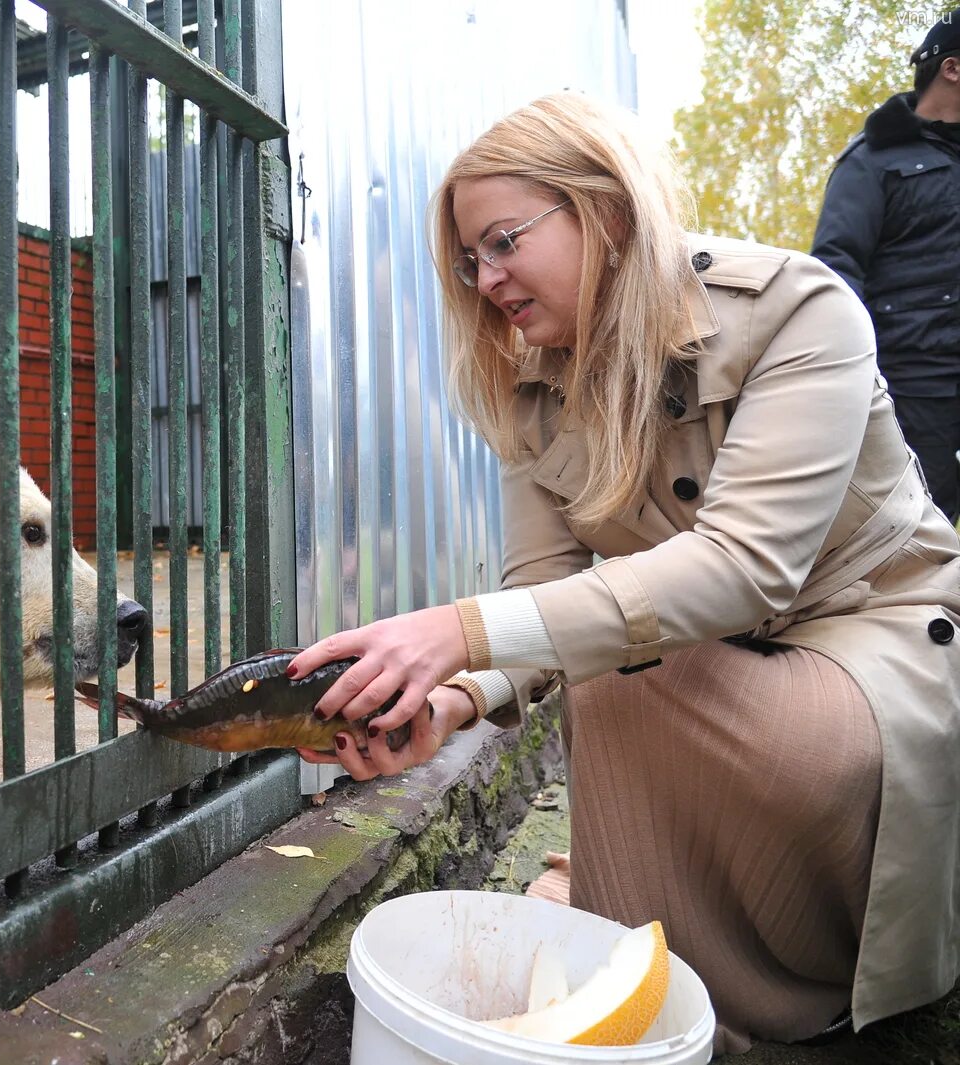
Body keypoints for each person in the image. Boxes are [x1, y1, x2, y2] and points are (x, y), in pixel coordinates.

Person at [289, 92, 960, 1055]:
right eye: (468, 260)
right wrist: (448, 706)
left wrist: (456, 632)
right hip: (705, 658)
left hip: (875, 644)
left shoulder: (797, 311)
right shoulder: (528, 388)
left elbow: (743, 567)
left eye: (503, 241)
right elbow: (538, 593)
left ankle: (747, 1008)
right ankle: (645, 974)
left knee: (622, 660)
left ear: (603, 209)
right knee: (614, 653)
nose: (484, 279)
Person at [811, 8, 960, 523]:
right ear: (952, 68)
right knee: (916, 539)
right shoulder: (873, 160)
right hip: (915, 390)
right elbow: (836, 273)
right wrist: (857, 380)